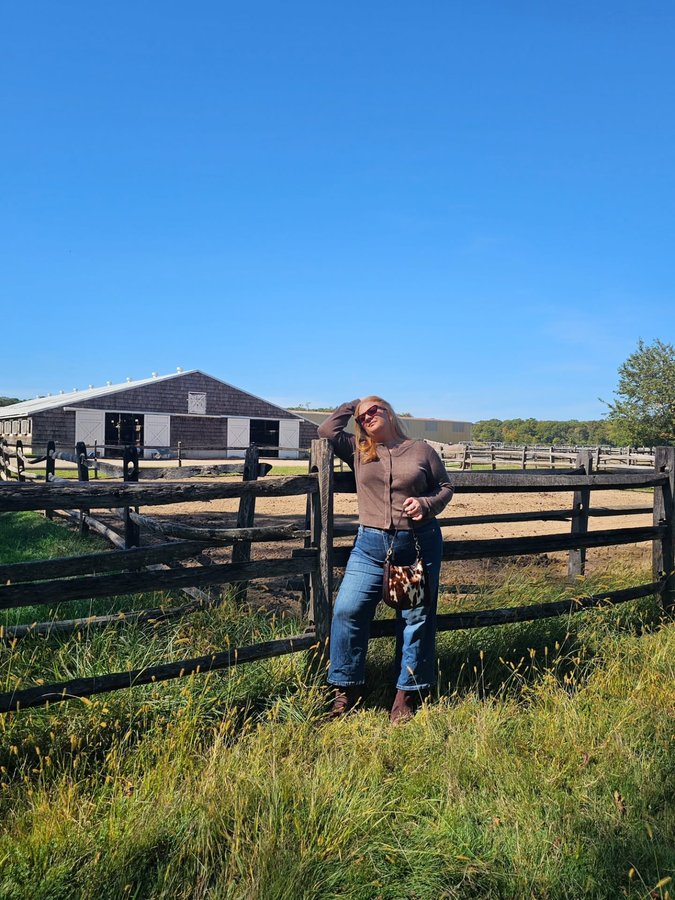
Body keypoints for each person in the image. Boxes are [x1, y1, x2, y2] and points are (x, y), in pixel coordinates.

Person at [318, 396, 453, 724]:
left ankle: (405, 693)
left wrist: (426, 505)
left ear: (389, 412)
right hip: (370, 546)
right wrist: (353, 405)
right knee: (348, 610)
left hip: (416, 545)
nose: (366, 419)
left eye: (373, 411)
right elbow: (326, 430)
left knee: (415, 618)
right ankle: (347, 687)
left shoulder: (421, 450)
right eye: (361, 418)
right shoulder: (359, 449)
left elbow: (445, 487)